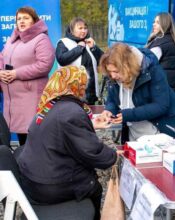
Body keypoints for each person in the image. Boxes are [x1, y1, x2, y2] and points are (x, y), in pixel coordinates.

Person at [15, 66, 118, 220]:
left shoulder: (50, 104)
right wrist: (115, 155)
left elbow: (61, 133)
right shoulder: (71, 112)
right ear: (76, 85)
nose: (84, 89)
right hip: (49, 186)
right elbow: (93, 153)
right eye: (83, 85)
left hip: (34, 178)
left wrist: (90, 124)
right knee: (93, 185)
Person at [99, 43, 175, 141]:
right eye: (110, 72)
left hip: (158, 134)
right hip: (135, 136)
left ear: (127, 66)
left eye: (116, 71)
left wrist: (128, 114)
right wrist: (109, 110)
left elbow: (161, 105)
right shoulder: (114, 77)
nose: (113, 76)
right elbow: (112, 100)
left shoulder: (152, 71)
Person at [0, 6, 55, 146]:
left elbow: (44, 64)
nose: (21, 21)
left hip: (31, 98)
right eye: (19, 19)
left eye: (26, 18)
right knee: (22, 141)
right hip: (13, 101)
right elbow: (2, 58)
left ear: (34, 21)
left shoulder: (41, 39)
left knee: (33, 139)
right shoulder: (11, 40)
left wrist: (16, 74)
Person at [56, 17, 104, 105]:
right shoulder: (63, 42)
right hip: (71, 93)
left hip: (91, 93)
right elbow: (62, 60)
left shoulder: (89, 42)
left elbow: (103, 60)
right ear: (72, 30)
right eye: (80, 28)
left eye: (85, 28)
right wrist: (79, 48)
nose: (83, 31)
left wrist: (94, 47)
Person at [146, 12, 175, 97]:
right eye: (154, 22)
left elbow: (145, 64)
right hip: (169, 89)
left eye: (157, 23)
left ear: (165, 24)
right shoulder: (172, 40)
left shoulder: (160, 44)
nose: (154, 25)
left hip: (160, 90)